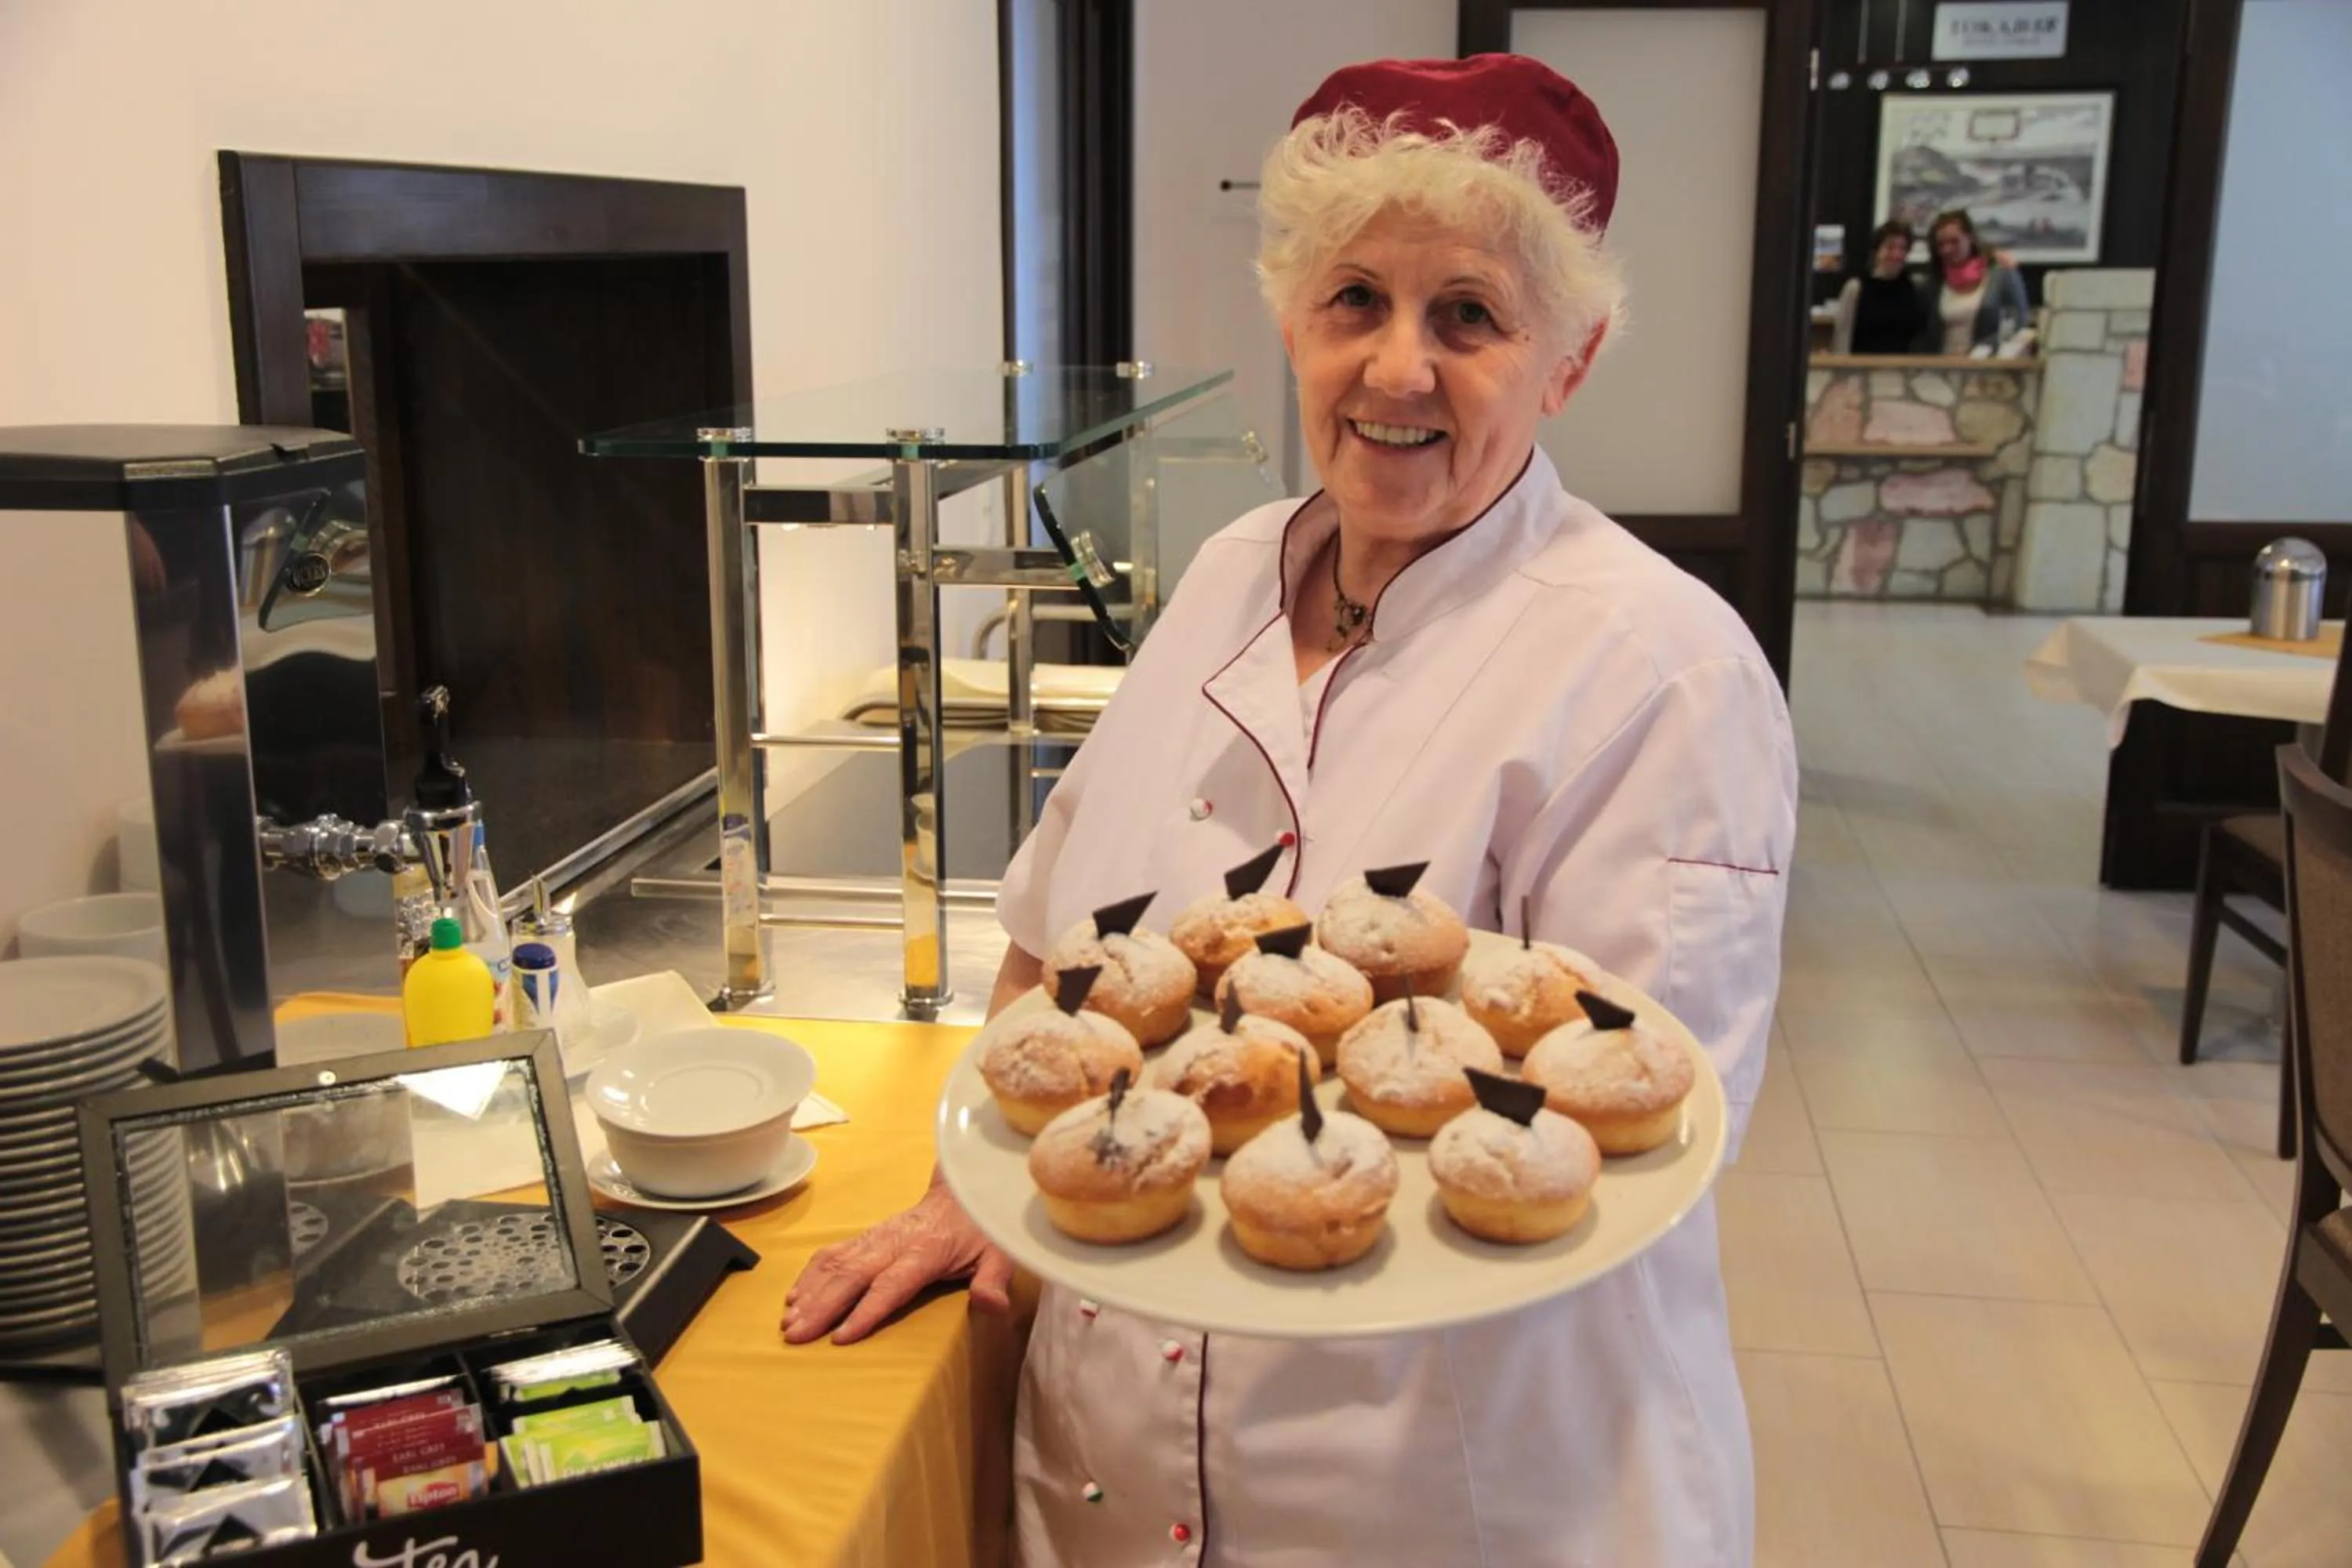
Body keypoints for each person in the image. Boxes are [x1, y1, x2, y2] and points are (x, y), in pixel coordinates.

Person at [783, 53, 1796, 1566]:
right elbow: (1053, 941)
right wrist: (963, 1198)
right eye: (1355, 301)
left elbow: (1632, 1127)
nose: (1397, 369)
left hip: (1443, 1495)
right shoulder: (1224, 575)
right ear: (1290, 320)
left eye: (1469, 315)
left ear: (1568, 360)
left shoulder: (1661, 670)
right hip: (1108, 1473)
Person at [1916, 208, 2031, 355]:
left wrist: (1979, 351)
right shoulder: (1934, 284)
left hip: (1986, 364)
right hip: (1942, 365)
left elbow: (2018, 325)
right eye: (1941, 244)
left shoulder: (2002, 275)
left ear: (1970, 238)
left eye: (1954, 241)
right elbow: (1924, 334)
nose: (1947, 249)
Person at [1831, 219, 1928, 355]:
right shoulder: (1856, 288)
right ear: (1877, 251)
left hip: (1901, 366)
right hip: (1862, 366)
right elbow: (1842, 338)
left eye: (1903, 248)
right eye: (1890, 247)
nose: (1897, 254)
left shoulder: (1914, 288)